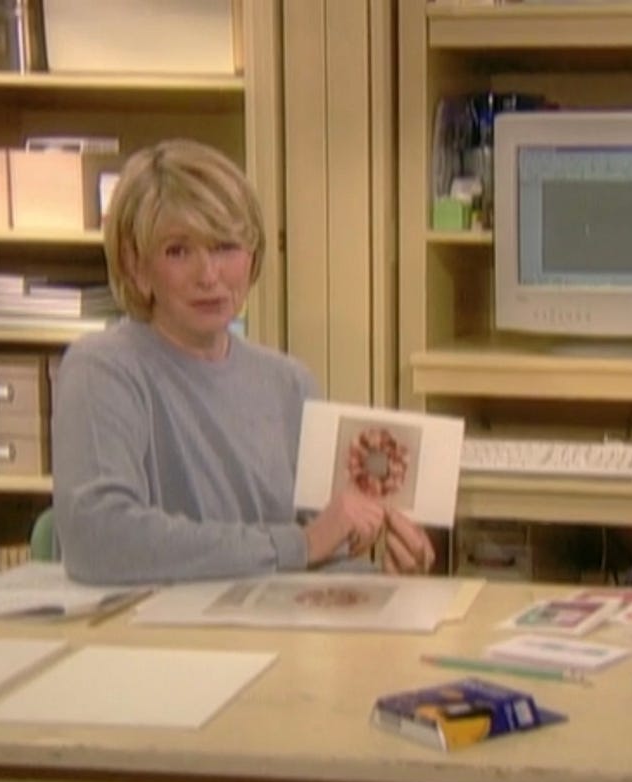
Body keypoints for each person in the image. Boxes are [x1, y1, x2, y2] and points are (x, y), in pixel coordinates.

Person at [53, 139, 435, 585]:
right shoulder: (102, 370)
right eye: (178, 251)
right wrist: (300, 544)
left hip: (277, 619)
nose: (208, 275)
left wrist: (386, 568)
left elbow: (316, 550)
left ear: (252, 257)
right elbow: (99, 539)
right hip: (164, 624)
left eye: (225, 247)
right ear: (136, 266)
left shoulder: (289, 383)